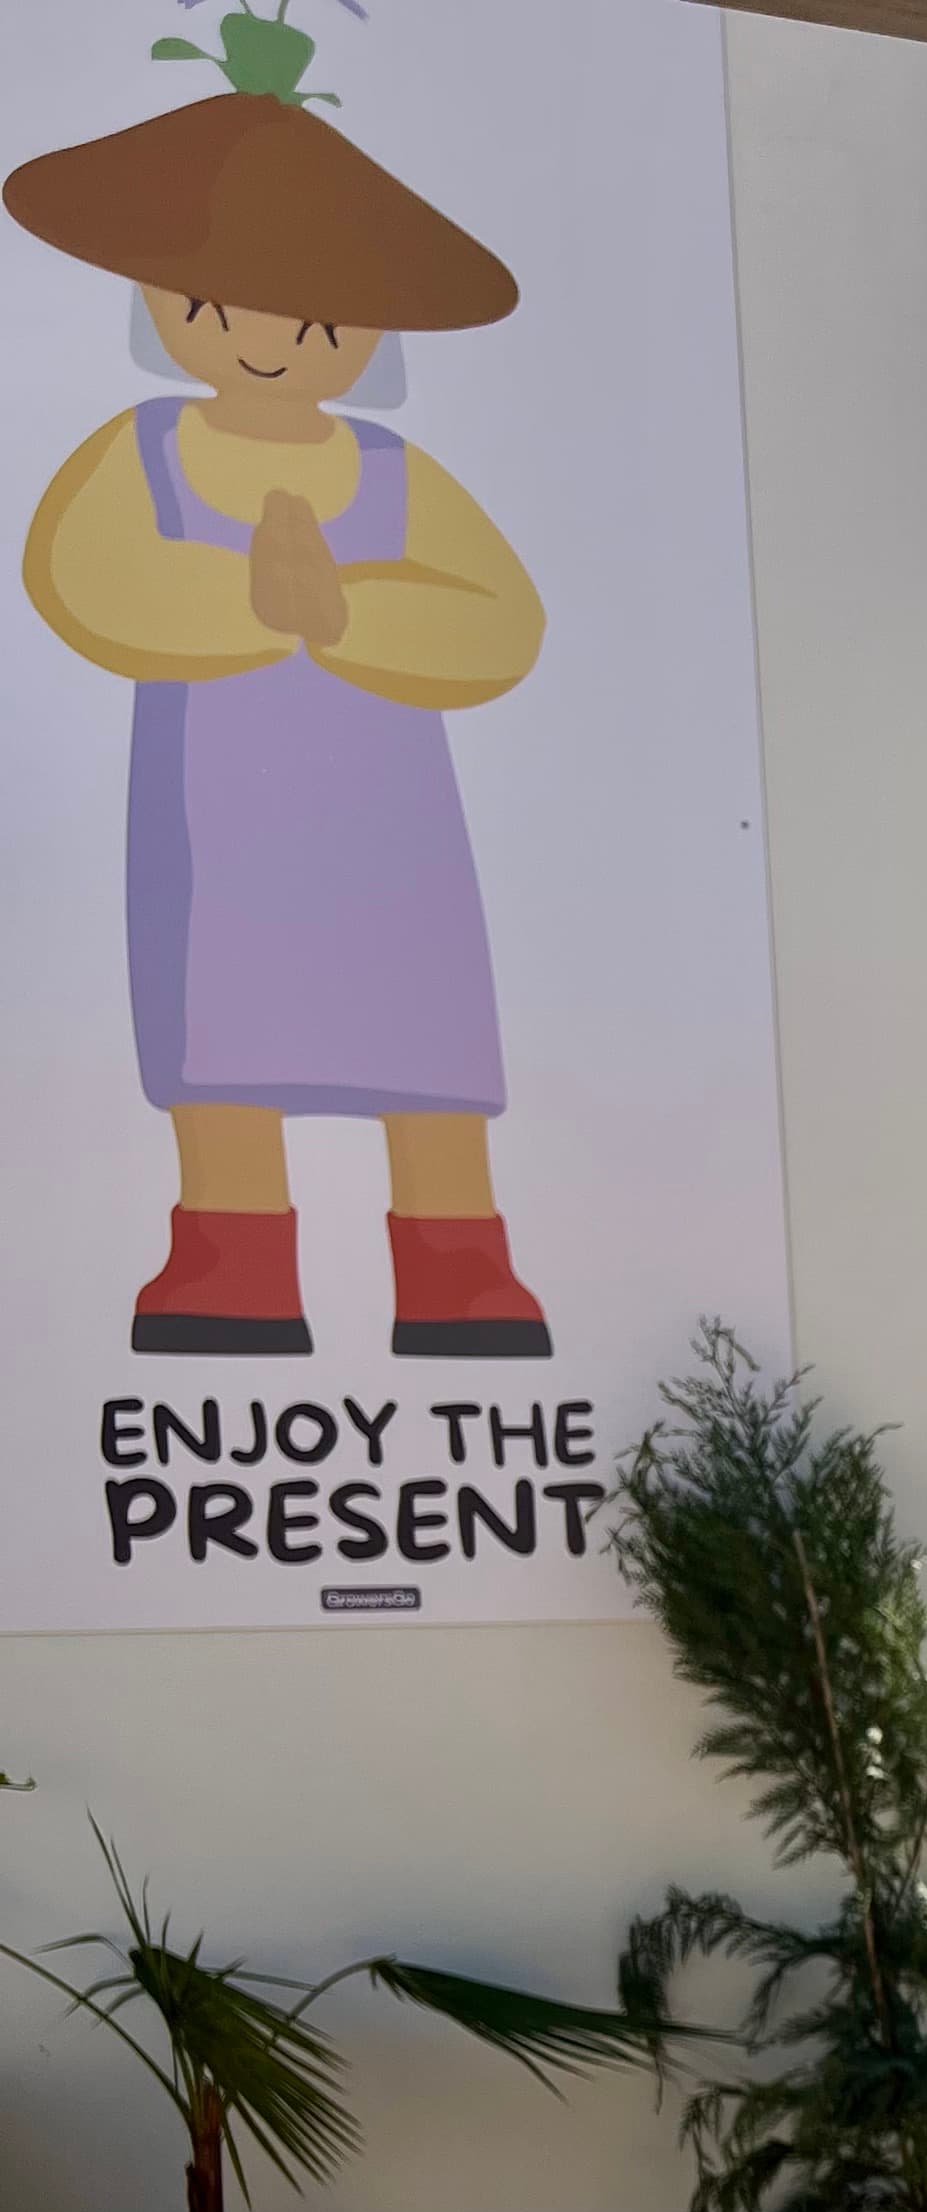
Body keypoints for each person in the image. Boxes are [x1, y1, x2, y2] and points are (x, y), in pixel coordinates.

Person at [10, 19, 550, 1355]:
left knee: (422, 1028)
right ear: (160, 304)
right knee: (222, 1029)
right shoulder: (143, 449)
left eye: (313, 323)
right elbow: (85, 574)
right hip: (216, 817)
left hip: (396, 828)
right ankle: (233, 1262)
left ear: (368, 334)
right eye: (216, 307)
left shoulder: (399, 476)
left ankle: (461, 1272)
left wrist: (347, 608)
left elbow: (502, 621)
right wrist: (252, 602)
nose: (265, 344)